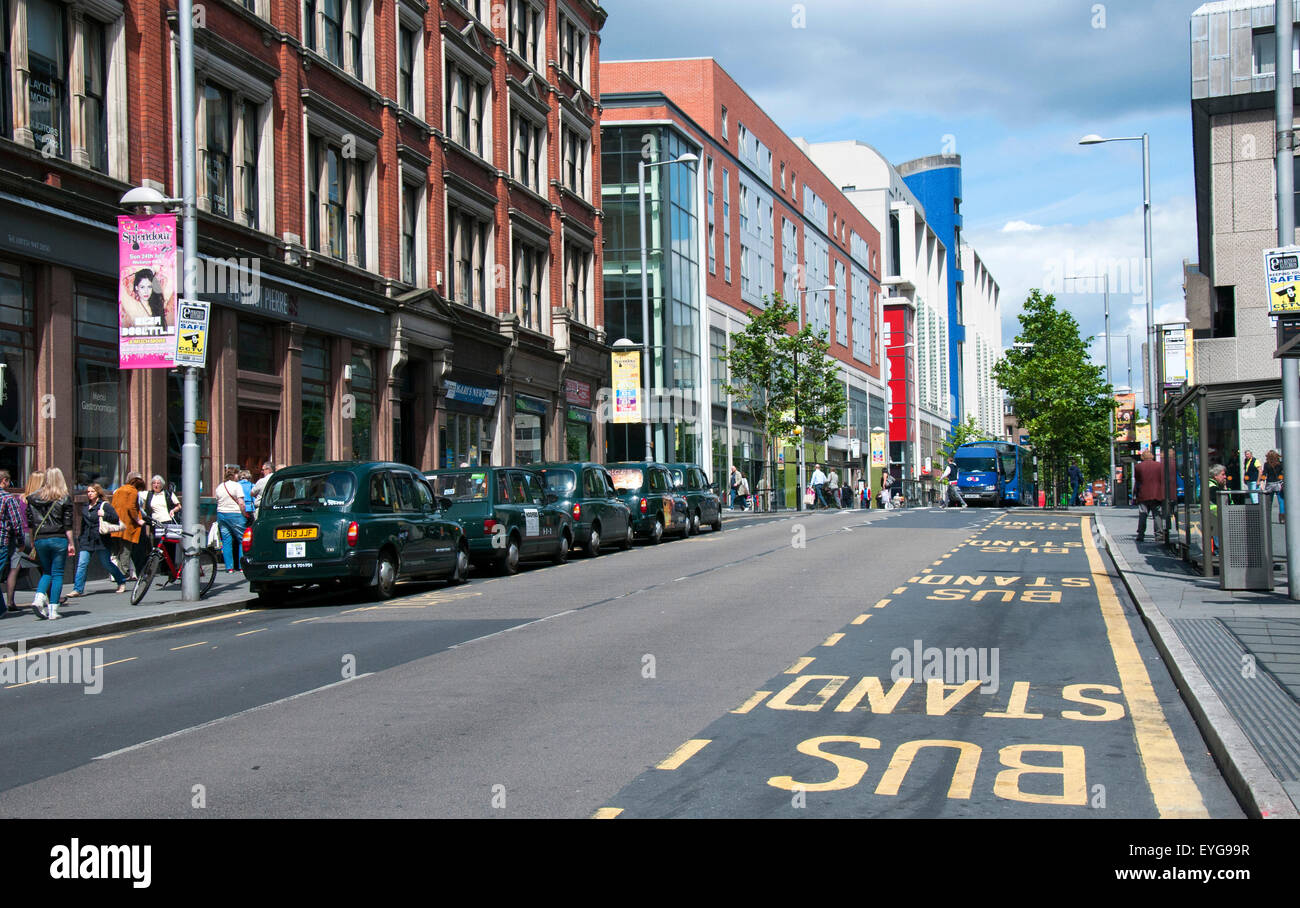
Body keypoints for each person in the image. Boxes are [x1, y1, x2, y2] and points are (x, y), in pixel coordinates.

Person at [26, 466, 75, 620]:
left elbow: (30, 523)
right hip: (58, 538)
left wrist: (34, 541)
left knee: (46, 572)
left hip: (40, 538)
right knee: (57, 573)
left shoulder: (33, 498)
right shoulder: (64, 498)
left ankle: (38, 598)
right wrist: (71, 542)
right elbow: (68, 524)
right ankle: (53, 610)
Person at [69, 483, 128, 597]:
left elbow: (115, 518)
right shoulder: (85, 506)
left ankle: (121, 581)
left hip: (101, 539)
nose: (90, 494)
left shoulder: (104, 505)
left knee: (106, 563)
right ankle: (77, 589)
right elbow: (83, 524)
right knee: (82, 564)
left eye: (92, 491)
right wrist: (81, 538)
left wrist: (104, 514)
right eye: (88, 492)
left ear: (98, 493)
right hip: (87, 539)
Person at [139, 475, 182, 567]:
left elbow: (178, 506)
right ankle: (160, 566)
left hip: (167, 522)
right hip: (155, 523)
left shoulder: (168, 494)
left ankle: (169, 566)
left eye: (158, 483)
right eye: (154, 483)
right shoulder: (149, 494)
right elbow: (136, 494)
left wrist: (173, 510)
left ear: (162, 485)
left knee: (168, 544)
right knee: (157, 544)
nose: (156, 485)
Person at [0, 470, 26, 615]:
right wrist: (21, 542)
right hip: (2, 541)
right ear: (4, 481)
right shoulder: (8, 498)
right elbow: (17, 523)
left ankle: (2, 608)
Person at [215, 467, 248, 572]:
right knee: (242, 539)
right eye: (237, 474)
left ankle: (229, 567)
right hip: (235, 515)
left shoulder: (220, 486)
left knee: (226, 541)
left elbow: (217, 500)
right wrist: (244, 514)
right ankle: (242, 566)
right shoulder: (237, 486)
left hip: (221, 514)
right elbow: (241, 503)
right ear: (234, 475)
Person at [1264, 450, 1284, 524]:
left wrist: (1262, 481)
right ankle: (1282, 518)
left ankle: (1267, 518)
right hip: (1278, 483)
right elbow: (1282, 473)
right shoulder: (1280, 464)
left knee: (1269, 502)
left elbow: (1264, 474)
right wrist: (1281, 478)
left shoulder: (1266, 464)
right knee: (1281, 501)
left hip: (1269, 484)